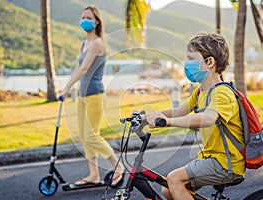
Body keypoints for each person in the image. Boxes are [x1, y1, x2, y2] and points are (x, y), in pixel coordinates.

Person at [145, 32, 245, 200]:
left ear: (210, 62)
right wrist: (149, 116)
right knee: (168, 189)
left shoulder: (222, 93)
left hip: (226, 163)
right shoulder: (201, 92)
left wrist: (168, 122)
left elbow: (207, 119)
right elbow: (179, 111)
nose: (186, 64)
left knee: (174, 179)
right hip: (210, 158)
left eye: (191, 59)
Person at [60, 5, 124, 186]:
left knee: (91, 136)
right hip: (83, 95)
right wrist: (71, 87)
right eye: (83, 17)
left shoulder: (97, 43)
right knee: (83, 136)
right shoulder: (84, 43)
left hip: (95, 94)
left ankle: (118, 166)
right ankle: (93, 175)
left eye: (89, 17)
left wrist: (66, 88)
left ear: (96, 21)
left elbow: (84, 68)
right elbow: (78, 70)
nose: (85, 20)